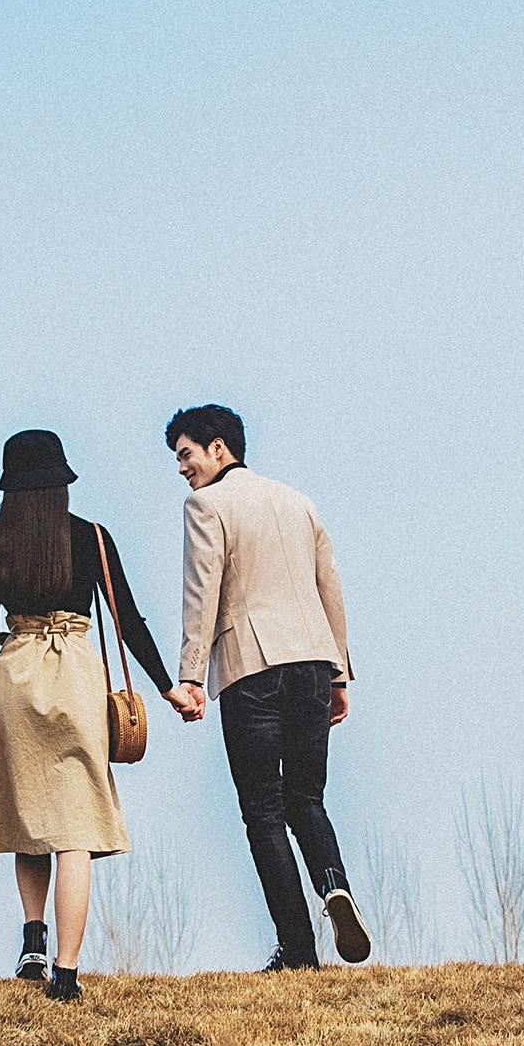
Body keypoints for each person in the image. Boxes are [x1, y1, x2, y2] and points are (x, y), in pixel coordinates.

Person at [0, 429, 176, 1002]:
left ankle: (33, 936)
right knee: (74, 829)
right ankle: (67, 971)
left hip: (15, 675)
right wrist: (167, 687)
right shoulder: (93, 539)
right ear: (63, 483)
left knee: (27, 816)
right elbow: (128, 621)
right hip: (77, 677)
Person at [162, 404, 374, 970]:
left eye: (185, 455)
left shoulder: (206, 504)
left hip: (250, 668)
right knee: (308, 797)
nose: (181, 469)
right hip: (311, 662)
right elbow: (330, 588)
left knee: (262, 808)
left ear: (217, 449)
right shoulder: (298, 501)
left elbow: (200, 591)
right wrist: (340, 673)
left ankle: (299, 949)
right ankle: (333, 884)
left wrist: (189, 677)